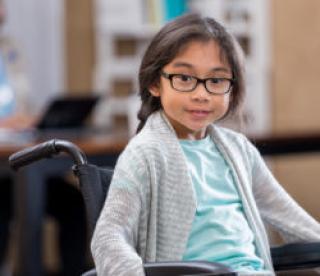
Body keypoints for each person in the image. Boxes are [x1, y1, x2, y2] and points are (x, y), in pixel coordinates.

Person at [91, 13, 320, 276]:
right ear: (155, 83)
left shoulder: (239, 150)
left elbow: (294, 222)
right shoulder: (145, 154)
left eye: (216, 81)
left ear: (232, 88)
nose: (201, 94)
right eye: (185, 79)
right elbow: (108, 239)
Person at [0, 1, 88, 275]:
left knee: (74, 204)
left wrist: (31, 120)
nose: (3, 13)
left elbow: (20, 104)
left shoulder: (9, 49)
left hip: (20, 158)